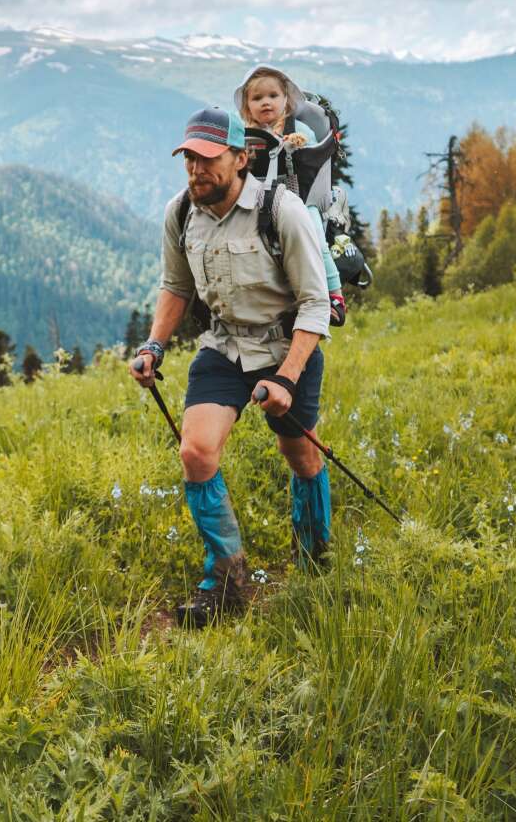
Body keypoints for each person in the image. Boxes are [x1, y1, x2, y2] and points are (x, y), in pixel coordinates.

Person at [128, 106, 332, 628]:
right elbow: (176, 286)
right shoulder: (180, 214)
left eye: (208, 159)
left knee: (302, 455)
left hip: (286, 347)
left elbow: (313, 303)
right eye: (189, 159)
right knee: (196, 452)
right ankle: (226, 580)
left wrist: (286, 377)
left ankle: (314, 556)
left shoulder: (280, 211)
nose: (196, 170)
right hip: (223, 348)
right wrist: (154, 344)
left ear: (241, 159)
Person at [235, 66, 347, 326]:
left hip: (297, 199)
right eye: (257, 98)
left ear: (285, 99)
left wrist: (293, 143)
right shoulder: (243, 135)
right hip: (257, 201)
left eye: (273, 96)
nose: (266, 102)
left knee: (315, 237)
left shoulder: (297, 129)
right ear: (247, 105)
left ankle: (334, 295)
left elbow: (307, 147)